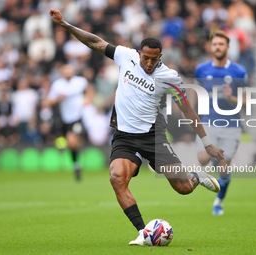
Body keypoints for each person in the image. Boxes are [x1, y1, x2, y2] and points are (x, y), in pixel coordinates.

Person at [49, 9, 224, 245]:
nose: (150, 63)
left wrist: (207, 143)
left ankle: (195, 176)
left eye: (155, 59)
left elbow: (186, 109)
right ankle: (143, 232)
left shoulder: (169, 76)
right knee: (117, 178)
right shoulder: (125, 56)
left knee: (183, 188)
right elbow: (95, 42)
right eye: (146, 58)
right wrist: (67, 25)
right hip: (124, 135)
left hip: (153, 136)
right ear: (139, 53)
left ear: (161, 55)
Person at [195, 30, 248, 216]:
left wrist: (230, 97)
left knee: (223, 166)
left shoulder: (238, 71)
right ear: (211, 47)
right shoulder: (201, 69)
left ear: (227, 47)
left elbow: (246, 101)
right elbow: (197, 92)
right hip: (208, 122)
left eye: (221, 44)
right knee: (202, 158)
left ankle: (219, 201)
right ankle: (209, 171)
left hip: (231, 126)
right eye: (215, 44)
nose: (217, 47)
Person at [45, 64, 93, 180]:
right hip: (63, 118)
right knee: (66, 143)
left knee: (71, 141)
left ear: (73, 72)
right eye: (65, 71)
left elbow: (89, 89)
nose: (68, 73)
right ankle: (76, 163)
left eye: (69, 71)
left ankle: (76, 160)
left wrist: (88, 99)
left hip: (77, 117)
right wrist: (58, 98)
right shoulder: (58, 85)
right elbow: (48, 102)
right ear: (62, 73)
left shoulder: (80, 81)